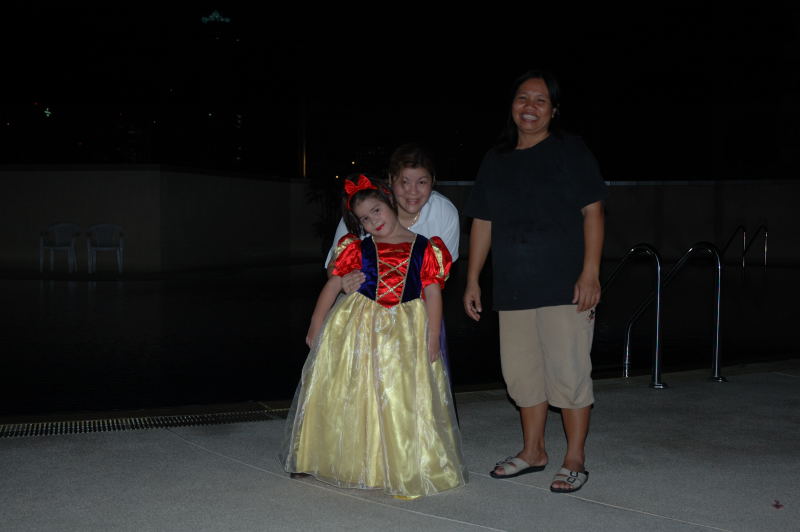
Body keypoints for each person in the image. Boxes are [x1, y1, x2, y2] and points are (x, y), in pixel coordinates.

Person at [463, 70, 607, 494]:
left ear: (554, 110)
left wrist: (591, 272)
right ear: (512, 105)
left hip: (565, 284)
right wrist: (472, 279)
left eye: (540, 100)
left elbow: (593, 212)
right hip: (513, 286)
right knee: (522, 375)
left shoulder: (571, 150)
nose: (530, 106)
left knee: (570, 372)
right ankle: (533, 452)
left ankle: (574, 457)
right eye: (523, 98)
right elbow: (483, 222)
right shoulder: (496, 159)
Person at [282, 174, 467, 499]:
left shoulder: (425, 247)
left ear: (390, 204)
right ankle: (349, 460)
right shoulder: (358, 248)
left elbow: (433, 293)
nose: (373, 221)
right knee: (357, 390)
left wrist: (433, 334)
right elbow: (334, 283)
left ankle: (400, 462)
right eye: (365, 218)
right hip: (360, 326)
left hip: (406, 330)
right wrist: (316, 321)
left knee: (400, 395)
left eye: (377, 211)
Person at [324, 143, 460, 294]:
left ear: (433, 181)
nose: (413, 191)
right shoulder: (363, 209)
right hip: (361, 305)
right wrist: (344, 283)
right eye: (404, 182)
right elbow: (333, 268)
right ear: (391, 179)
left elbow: (438, 280)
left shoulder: (444, 212)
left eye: (422, 182)